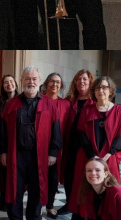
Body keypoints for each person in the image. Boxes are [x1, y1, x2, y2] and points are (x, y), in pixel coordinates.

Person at [0, 66, 62, 220]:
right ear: (21, 80)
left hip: (38, 156)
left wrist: (53, 152)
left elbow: (56, 131)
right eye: (27, 79)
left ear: (39, 81)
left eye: (34, 79)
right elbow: (2, 131)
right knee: (15, 190)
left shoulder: (49, 104)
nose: (31, 82)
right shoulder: (11, 104)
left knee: (36, 190)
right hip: (16, 154)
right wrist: (3, 152)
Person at [69, 77, 121, 217]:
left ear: (111, 90)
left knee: (109, 192)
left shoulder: (118, 111)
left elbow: (120, 136)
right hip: (87, 157)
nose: (100, 91)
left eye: (104, 87)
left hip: (109, 158)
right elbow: (81, 133)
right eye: (97, 88)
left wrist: (109, 153)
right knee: (85, 192)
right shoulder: (87, 110)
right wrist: (92, 155)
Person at [59, 69, 95, 215]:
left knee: (83, 177)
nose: (81, 82)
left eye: (85, 79)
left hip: (86, 146)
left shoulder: (94, 102)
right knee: (69, 175)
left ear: (90, 81)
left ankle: (83, 206)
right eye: (78, 79)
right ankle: (69, 203)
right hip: (69, 144)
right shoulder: (69, 100)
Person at [43, 72, 70, 218]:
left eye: (58, 82)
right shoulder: (39, 100)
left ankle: (49, 205)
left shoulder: (65, 104)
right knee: (37, 177)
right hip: (39, 146)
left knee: (53, 179)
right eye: (52, 81)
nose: (55, 84)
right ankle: (35, 204)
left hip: (57, 149)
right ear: (47, 83)